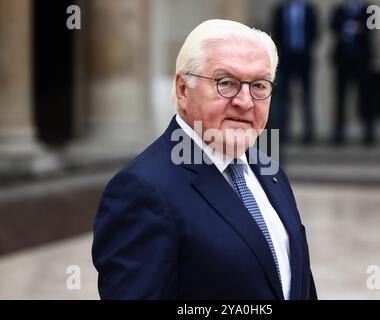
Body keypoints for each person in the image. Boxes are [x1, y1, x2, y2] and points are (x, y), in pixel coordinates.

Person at [92, 19, 316, 300]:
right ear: (184, 90)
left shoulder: (268, 169)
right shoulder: (141, 190)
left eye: (259, 85)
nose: (245, 101)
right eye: (226, 83)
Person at [272, 0, 318, 145]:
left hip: (304, 59)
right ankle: (283, 132)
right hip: (285, 59)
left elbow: (315, 33)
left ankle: (308, 133)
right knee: (283, 97)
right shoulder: (280, 9)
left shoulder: (310, 9)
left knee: (307, 96)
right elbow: (276, 33)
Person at [330, 0, 376, 146]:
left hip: (363, 61)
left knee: (366, 98)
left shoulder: (372, 9)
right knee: (340, 98)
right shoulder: (339, 9)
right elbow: (333, 27)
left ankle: (369, 134)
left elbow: (373, 29)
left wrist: (358, 28)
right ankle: (339, 133)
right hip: (343, 60)